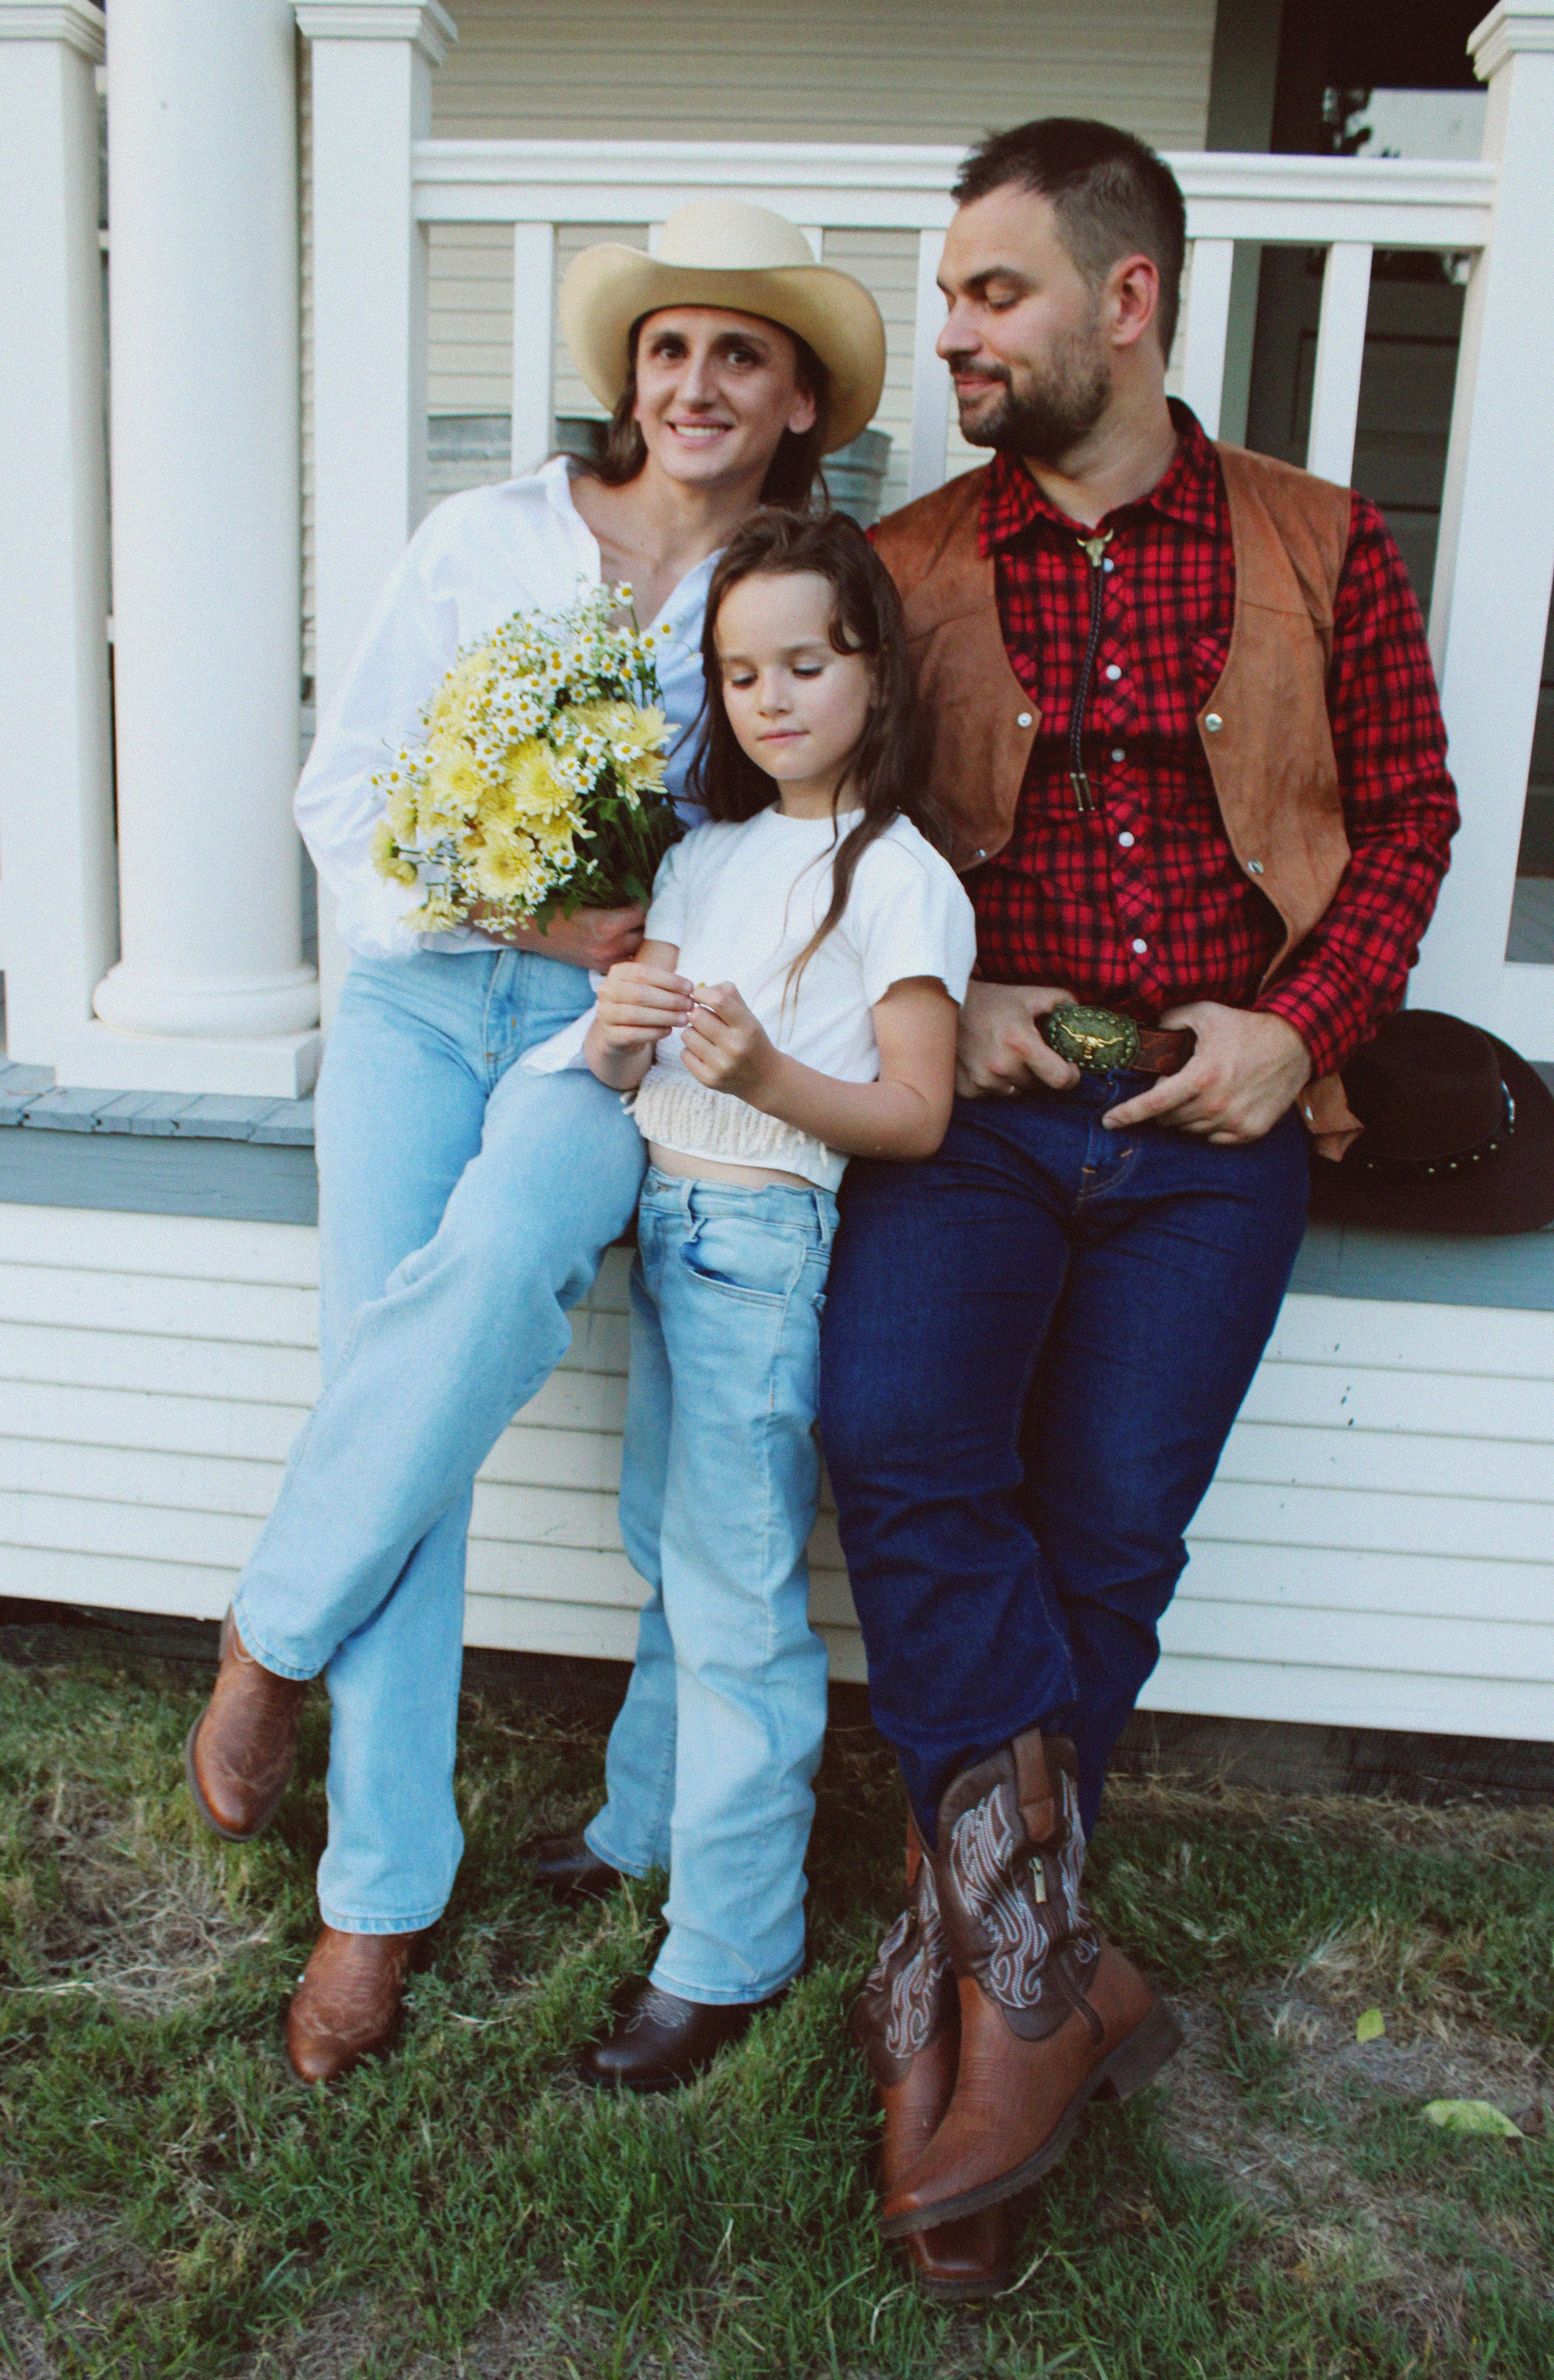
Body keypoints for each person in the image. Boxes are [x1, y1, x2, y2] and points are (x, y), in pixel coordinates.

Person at [823, 117, 1459, 2279]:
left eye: (995, 293)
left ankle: (980, 1985)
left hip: (1222, 1113)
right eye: (951, 297)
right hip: (987, 1104)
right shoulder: (903, 567)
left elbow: (1413, 815)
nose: (955, 333)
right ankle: (1042, 1975)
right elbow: (830, 842)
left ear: (1129, 297)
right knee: (904, 1435)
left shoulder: (1319, 543)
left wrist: (1308, 1027)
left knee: (1108, 1531)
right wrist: (959, 988)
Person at [182, 202, 886, 2086]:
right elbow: (345, 795)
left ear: (801, 394)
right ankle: (375, 1896)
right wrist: (509, 903)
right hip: (429, 1001)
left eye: (743, 352)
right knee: (400, 1390)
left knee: (498, 1268)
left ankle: (273, 1620)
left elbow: (823, 814)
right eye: (669, 349)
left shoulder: (800, 591)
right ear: (627, 379)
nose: (698, 381)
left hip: (613, 1040)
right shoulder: (485, 540)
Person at [524, 510, 976, 2100]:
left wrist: (774, 1074)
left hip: (764, 1249)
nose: (772, 697)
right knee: (669, 1552)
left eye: (805, 662)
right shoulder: (708, 851)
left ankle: (728, 1941)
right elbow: (643, 1050)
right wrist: (624, 1022)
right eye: (740, 672)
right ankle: (640, 1826)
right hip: (665, 1225)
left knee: (736, 1610)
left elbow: (915, 1111)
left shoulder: (898, 878)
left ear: (874, 670)